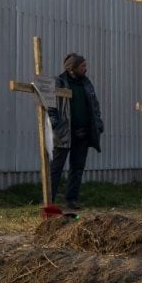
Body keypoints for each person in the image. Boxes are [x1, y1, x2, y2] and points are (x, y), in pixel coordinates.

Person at [48, 53, 104, 211]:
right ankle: (49, 199)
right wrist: (55, 124)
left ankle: (71, 200)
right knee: (56, 168)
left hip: (83, 133)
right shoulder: (59, 82)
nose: (85, 69)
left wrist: (98, 123)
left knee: (77, 167)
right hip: (64, 133)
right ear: (72, 68)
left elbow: (95, 105)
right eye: (82, 66)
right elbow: (50, 106)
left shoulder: (86, 83)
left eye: (85, 66)